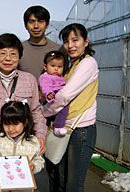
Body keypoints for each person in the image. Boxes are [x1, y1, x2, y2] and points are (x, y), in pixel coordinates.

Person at [0, 33, 47, 191]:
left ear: (19, 56)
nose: (8, 58)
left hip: (23, 146)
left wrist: (40, 136)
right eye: (2, 53)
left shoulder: (29, 80)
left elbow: (36, 111)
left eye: (13, 54)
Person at [42, 23, 99, 192]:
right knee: (61, 180)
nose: (71, 45)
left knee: (73, 185)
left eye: (75, 40)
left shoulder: (88, 63)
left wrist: (43, 112)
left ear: (86, 41)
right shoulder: (72, 64)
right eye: (66, 42)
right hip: (66, 128)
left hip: (80, 130)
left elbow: (65, 96)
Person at [0, 101, 45, 191]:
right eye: (6, 124)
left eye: (15, 124)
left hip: (23, 188)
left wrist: (33, 166)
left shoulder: (33, 142)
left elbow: (39, 160)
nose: (11, 129)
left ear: (25, 122)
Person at [19, 5, 61, 80]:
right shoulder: (18, 49)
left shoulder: (58, 50)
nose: (36, 26)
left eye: (40, 21)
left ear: (47, 25)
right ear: (25, 25)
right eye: (32, 22)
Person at [38, 50, 68, 136]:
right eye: (53, 65)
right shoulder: (45, 76)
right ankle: (57, 127)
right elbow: (44, 87)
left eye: (60, 66)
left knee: (63, 110)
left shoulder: (61, 77)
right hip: (49, 97)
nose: (56, 69)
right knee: (48, 117)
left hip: (58, 97)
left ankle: (57, 126)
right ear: (45, 67)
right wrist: (48, 93)